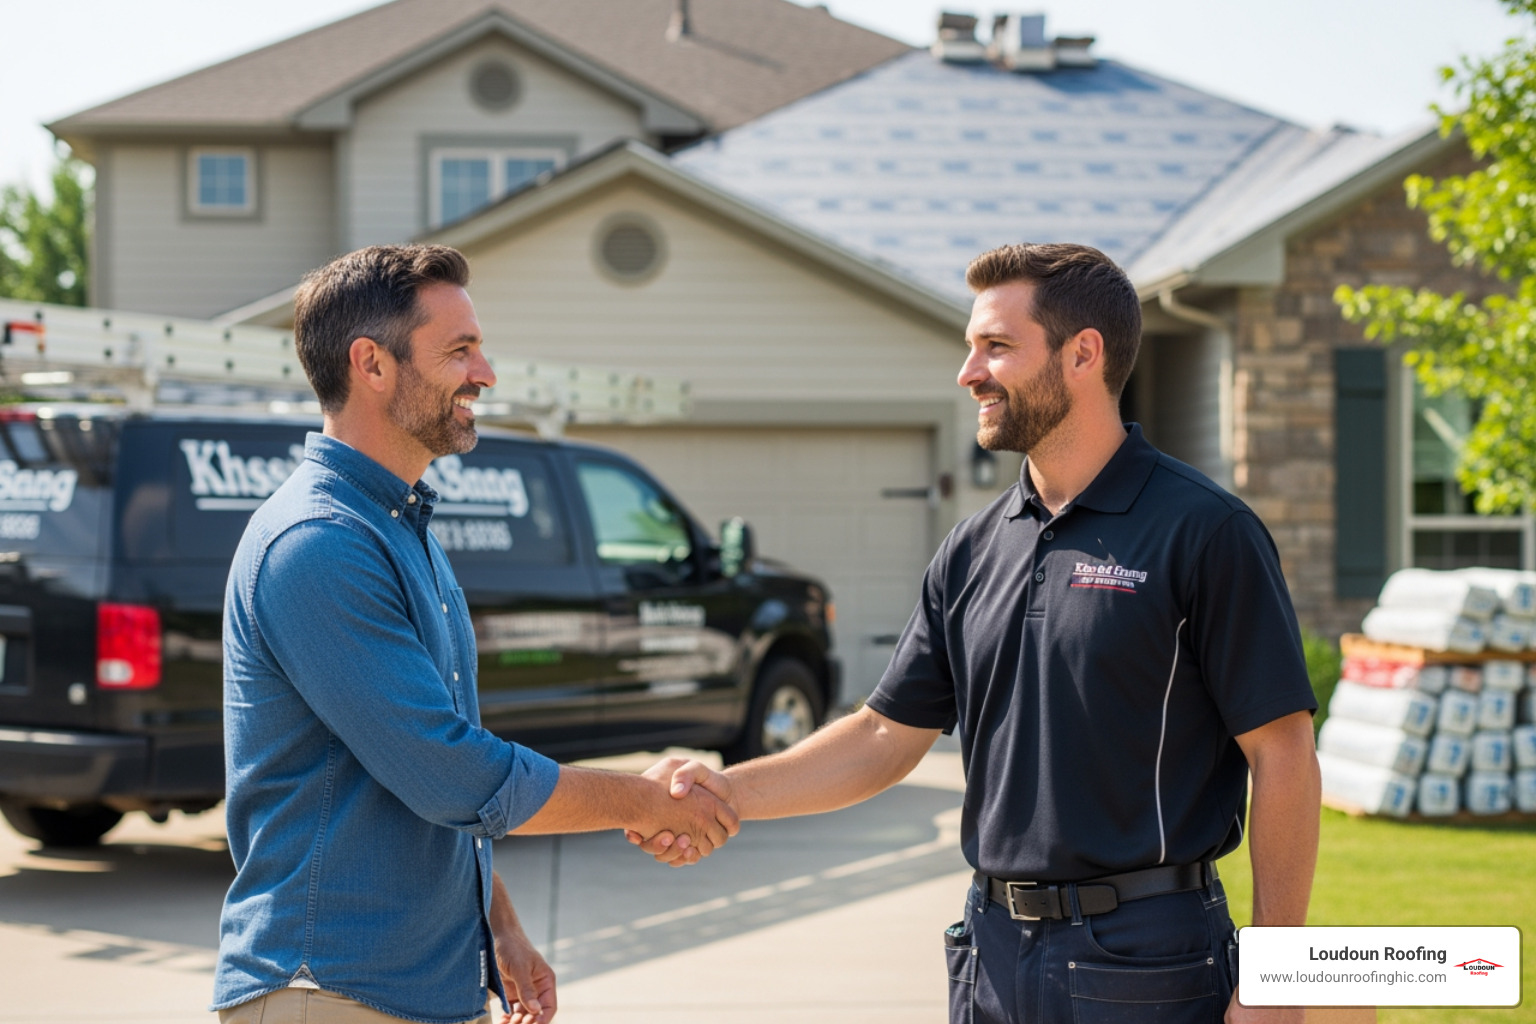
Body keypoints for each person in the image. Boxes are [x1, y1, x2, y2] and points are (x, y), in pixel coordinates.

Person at [636, 243, 1321, 1023]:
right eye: (970, 348)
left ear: (1082, 355)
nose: (968, 373)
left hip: (1146, 959)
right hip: (992, 952)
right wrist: (727, 793)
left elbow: (1283, 750)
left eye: (996, 346)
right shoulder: (972, 547)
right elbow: (882, 737)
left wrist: (1278, 980)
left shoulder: (1204, 531)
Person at [214, 244, 736, 1024]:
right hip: (325, 992)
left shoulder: (398, 527)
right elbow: (450, 775)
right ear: (373, 364)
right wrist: (642, 801)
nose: (485, 373)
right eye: (459, 350)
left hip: (415, 989)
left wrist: (497, 928)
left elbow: (431, 780)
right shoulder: (318, 544)